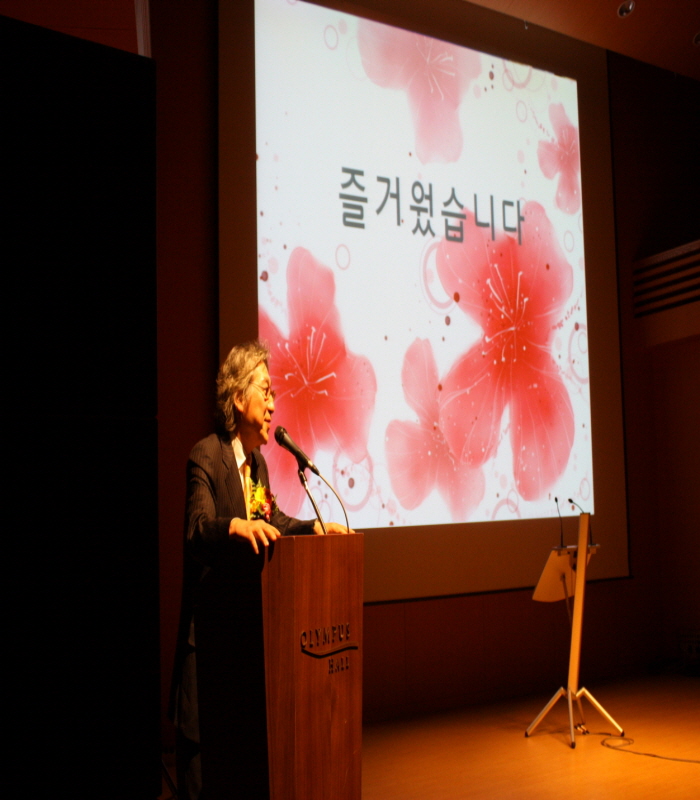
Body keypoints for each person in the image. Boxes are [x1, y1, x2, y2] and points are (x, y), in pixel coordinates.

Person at [170, 340, 351, 800]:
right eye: (265, 392)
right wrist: (235, 525)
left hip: (245, 648)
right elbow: (196, 529)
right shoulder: (206, 455)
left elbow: (274, 522)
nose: (273, 404)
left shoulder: (259, 467)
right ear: (238, 398)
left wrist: (314, 528)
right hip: (208, 648)